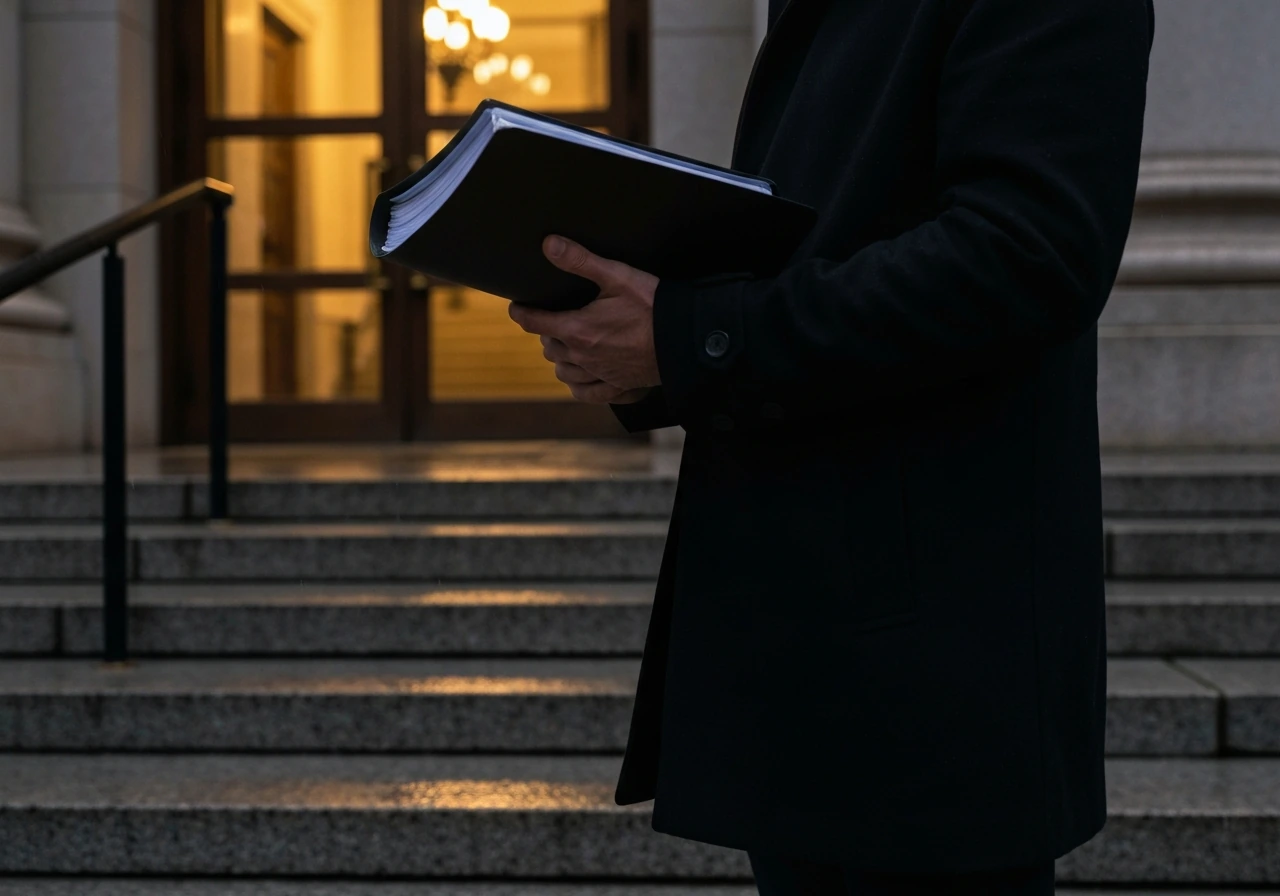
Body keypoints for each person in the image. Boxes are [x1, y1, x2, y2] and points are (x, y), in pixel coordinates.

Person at [509, 0, 1155, 892]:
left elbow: (1027, 253)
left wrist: (696, 335)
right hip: (819, 634)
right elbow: (828, 244)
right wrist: (654, 344)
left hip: (930, 655)